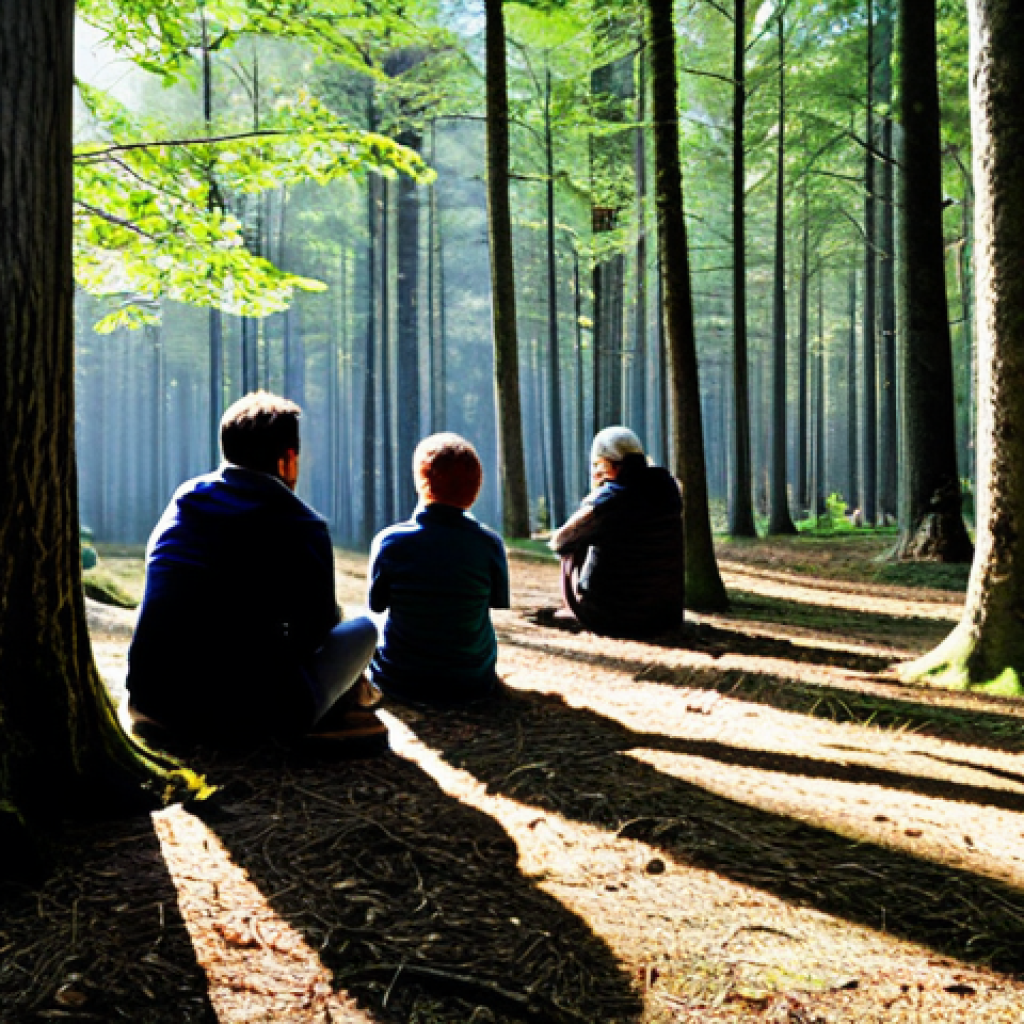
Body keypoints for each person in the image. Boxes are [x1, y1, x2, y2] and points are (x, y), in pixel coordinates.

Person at [127, 391, 383, 746]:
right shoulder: (302, 524)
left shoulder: (185, 499)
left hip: (154, 699)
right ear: (288, 459)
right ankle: (346, 704)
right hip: (257, 714)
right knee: (364, 629)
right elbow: (315, 635)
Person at [367, 433, 510, 706]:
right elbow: (496, 602)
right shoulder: (489, 544)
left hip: (399, 680)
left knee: (362, 623)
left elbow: (376, 605)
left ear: (421, 482)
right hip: (473, 681)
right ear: (476, 488)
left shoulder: (390, 542)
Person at [549, 426, 684, 639]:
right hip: (665, 616)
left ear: (605, 463)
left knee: (574, 545)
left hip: (612, 617)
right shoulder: (670, 488)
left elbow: (560, 541)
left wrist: (596, 492)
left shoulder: (609, 499)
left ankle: (576, 605)